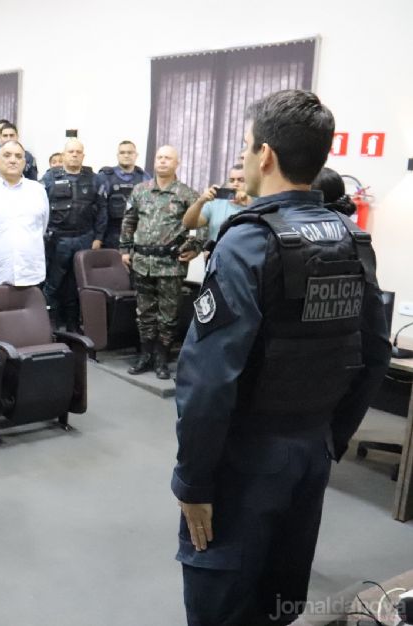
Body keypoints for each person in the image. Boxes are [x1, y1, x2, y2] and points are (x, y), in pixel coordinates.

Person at [172, 89, 391, 626]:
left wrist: (193, 482)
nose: (244, 158)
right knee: (279, 600)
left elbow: (209, 379)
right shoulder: (352, 238)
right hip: (311, 451)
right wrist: (330, 437)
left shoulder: (247, 242)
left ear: (265, 154)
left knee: (221, 602)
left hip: (246, 458)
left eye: (246, 146)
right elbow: (375, 352)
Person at [120, 145, 200, 380]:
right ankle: (145, 355)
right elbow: (129, 220)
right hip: (142, 262)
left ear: (177, 163)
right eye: (160, 157)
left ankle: (161, 358)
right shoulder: (140, 190)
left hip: (170, 265)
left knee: (168, 315)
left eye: (168, 158)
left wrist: (195, 248)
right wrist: (124, 249)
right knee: (144, 313)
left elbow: (202, 223)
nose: (163, 161)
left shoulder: (186, 194)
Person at [40, 139, 105, 330]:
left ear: (83, 156)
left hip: (84, 238)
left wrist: (98, 238)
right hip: (56, 240)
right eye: (71, 152)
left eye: (78, 152)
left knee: (76, 285)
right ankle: (50, 325)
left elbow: (102, 210)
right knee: (53, 285)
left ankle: (73, 325)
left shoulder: (94, 179)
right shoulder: (49, 178)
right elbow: (39, 209)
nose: (75, 155)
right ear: (63, 155)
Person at [0, 140, 49, 288]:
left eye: (18, 156)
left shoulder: (38, 191)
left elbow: (41, 228)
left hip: (30, 275)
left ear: (24, 162)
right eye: (7, 155)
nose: (13, 160)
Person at [97, 141, 151, 249]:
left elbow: (150, 207)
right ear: (117, 155)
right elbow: (99, 209)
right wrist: (98, 237)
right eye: (122, 152)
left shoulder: (144, 177)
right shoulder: (105, 176)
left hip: (136, 234)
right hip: (110, 234)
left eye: (130, 152)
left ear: (136, 155)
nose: (126, 155)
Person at [181, 164, 250, 244]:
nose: (235, 184)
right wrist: (200, 201)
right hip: (216, 250)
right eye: (231, 180)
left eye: (241, 180)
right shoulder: (215, 202)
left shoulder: (256, 202)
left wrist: (248, 202)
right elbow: (188, 224)